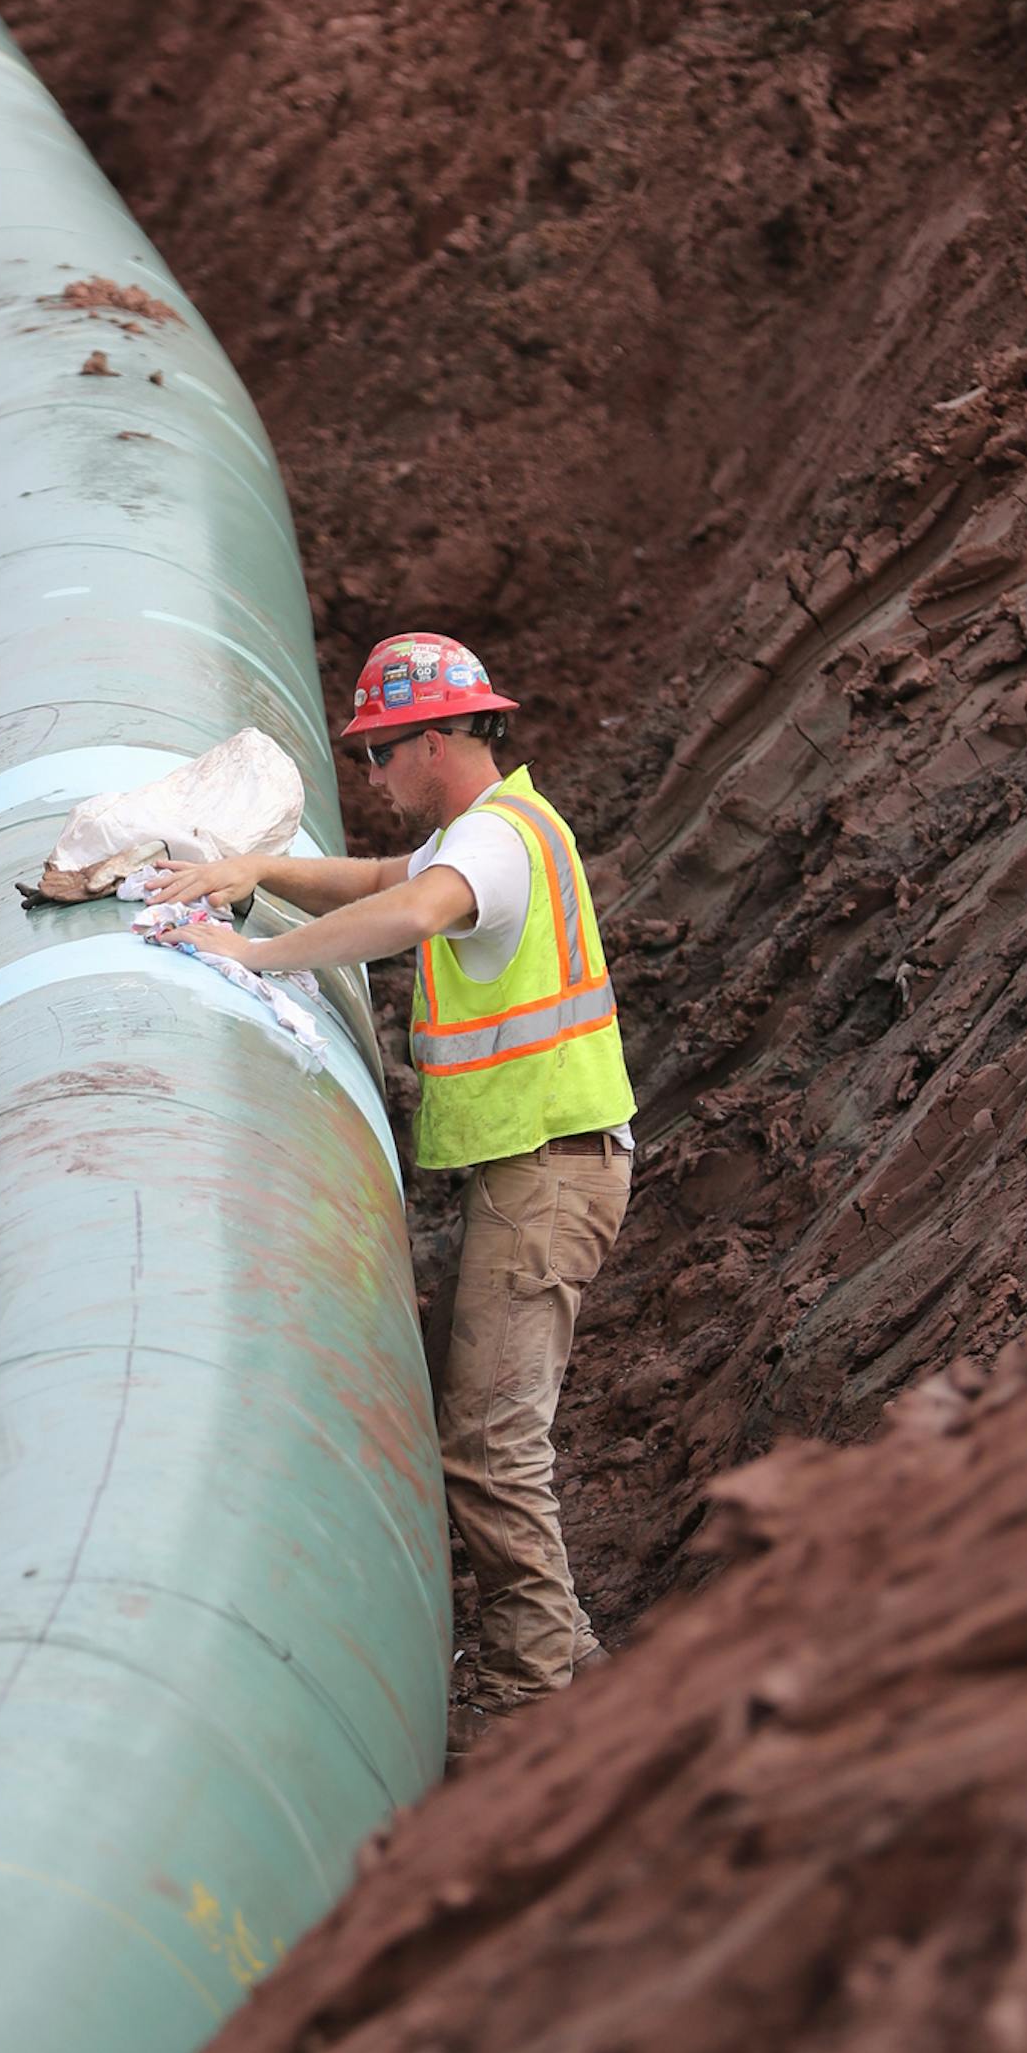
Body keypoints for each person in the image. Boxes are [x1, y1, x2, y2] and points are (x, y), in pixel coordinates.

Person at [145, 630, 636, 1719]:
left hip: (549, 1174)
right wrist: (261, 870)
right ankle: (583, 1679)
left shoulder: (495, 844)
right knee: (490, 1438)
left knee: (492, 1447)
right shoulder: (495, 830)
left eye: (378, 752)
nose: (370, 776)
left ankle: (532, 1705)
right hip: (534, 1171)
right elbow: (377, 879)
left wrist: (255, 956)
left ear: (440, 739)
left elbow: (409, 912)